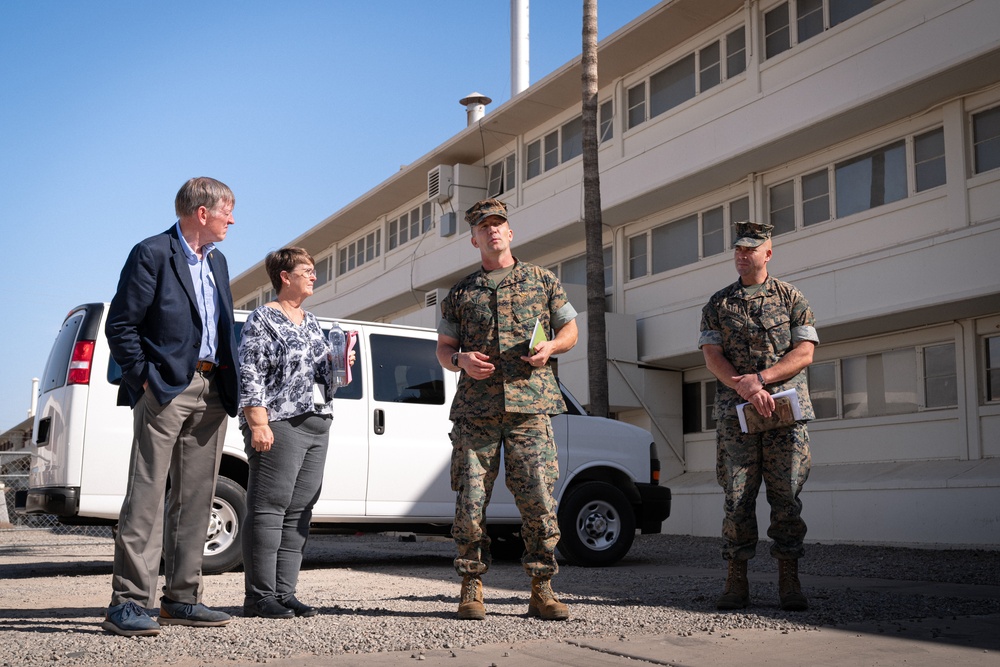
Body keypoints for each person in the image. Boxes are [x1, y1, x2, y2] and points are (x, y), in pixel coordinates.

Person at [103, 177, 239, 636]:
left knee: (197, 499)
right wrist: (145, 379)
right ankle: (127, 603)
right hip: (164, 390)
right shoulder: (152, 252)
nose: (232, 220)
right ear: (202, 212)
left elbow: (221, 326)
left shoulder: (217, 262)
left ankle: (182, 598)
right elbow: (121, 325)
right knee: (146, 496)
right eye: (227, 212)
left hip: (212, 390)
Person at [436, 198, 579, 622]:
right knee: (471, 500)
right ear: (474, 238)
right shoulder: (461, 293)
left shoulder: (541, 280)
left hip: (530, 407)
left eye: (500, 224)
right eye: (485, 226)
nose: (493, 230)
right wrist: (460, 360)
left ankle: (542, 589)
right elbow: (444, 350)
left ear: (510, 232)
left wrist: (552, 346)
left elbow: (570, 328)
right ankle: (471, 588)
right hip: (476, 412)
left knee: (538, 497)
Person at [698, 221, 819, 612]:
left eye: (750, 249)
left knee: (787, 497)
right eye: (737, 249)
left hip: (784, 413)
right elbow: (711, 356)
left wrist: (762, 379)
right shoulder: (718, 303)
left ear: (768, 253)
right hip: (738, 416)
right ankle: (736, 581)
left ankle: (789, 580)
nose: (741, 255)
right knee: (737, 498)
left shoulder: (791, 298)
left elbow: (804, 353)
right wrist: (744, 386)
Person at [238, 247, 352, 620]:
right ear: (285, 277)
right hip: (281, 423)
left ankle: (284, 593)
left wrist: (340, 363)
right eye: (307, 270)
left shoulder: (312, 320)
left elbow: (320, 375)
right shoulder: (263, 319)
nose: (314, 276)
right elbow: (250, 370)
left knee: (300, 511)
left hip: (319, 421)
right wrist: (258, 421)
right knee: (269, 509)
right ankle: (259, 597)